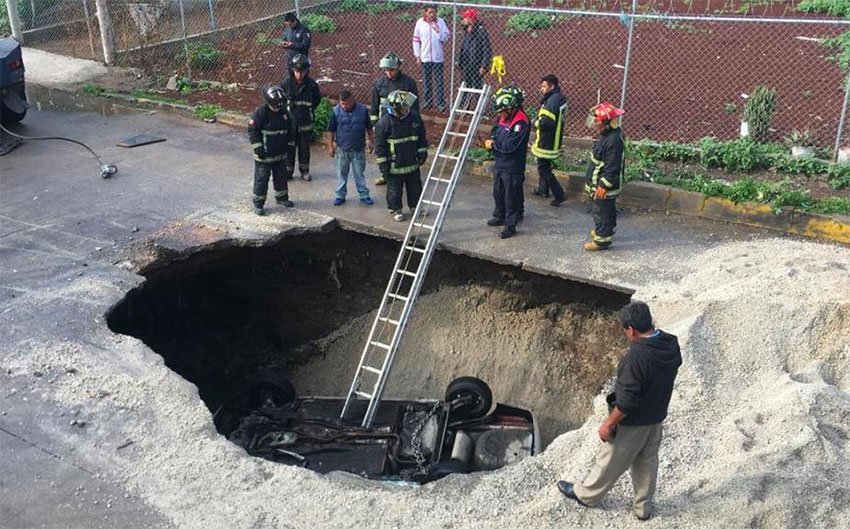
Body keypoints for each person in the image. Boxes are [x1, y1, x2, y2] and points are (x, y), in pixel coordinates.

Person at [557, 301, 682, 521]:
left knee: (609, 461)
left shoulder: (635, 358)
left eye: (625, 330)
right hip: (657, 416)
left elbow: (626, 402)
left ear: (631, 329)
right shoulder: (670, 343)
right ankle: (643, 508)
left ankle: (586, 495)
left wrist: (608, 424)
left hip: (634, 423)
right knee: (647, 462)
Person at [483, 85, 530, 239]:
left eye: (502, 111)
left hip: (512, 166)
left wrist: (493, 145)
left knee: (511, 196)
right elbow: (495, 130)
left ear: (510, 108)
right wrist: (493, 141)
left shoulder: (521, 122)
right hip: (500, 163)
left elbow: (511, 146)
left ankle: (510, 224)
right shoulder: (504, 117)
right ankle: (499, 215)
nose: (500, 115)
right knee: (498, 192)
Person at [374, 90, 427, 222]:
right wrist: (383, 166)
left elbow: (421, 138)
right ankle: (395, 209)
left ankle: (415, 207)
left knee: (415, 187)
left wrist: (422, 152)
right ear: (395, 108)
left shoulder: (414, 118)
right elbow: (380, 148)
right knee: (394, 190)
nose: (406, 109)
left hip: (412, 162)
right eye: (404, 107)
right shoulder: (384, 124)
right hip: (394, 165)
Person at [370, 52, 420, 186]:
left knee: (401, 149)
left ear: (398, 68)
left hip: (402, 123)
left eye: (391, 70)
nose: (389, 73)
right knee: (383, 150)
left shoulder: (408, 83)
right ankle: (385, 174)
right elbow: (374, 106)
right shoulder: (379, 83)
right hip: (384, 125)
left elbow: (414, 108)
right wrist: (375, 125)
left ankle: (405, 175)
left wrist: (414, 124)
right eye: (386, 70)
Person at [247, 85, 296, 216]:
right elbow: (252, 130)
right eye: (276, 105)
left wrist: (290, 145)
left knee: (281, 178)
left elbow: (290, 130)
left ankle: (282, 198)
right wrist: (258, 147)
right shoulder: (260, 113)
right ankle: (258, 204)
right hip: (264, 156)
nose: (278, 108)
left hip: (280, 155)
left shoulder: (284, 113)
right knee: (261, 180)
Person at [583, 102, 625, 251]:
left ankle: (602, 240)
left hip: (604, 186)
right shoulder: (610, 135)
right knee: (608, 210)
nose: (595, 125)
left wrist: (603, 185)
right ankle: (607, 229)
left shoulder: (613, 141)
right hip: (601, 182)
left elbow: (612, 167)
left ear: (606, 123)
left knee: (601, 211)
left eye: (597, 122)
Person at [327, 90, 375, 207]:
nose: (345, 106)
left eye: (347, 104)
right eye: (342, 104)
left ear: (353, 100)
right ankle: (340, 195)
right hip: (342, 149)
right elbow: (330, 131)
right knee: (341, 173)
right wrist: (330, 146)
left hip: (358, 149)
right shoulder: (335, 112)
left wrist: (371, 141)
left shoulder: (362, 110)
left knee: (359, 173)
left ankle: (364, 195)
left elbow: (369, 127)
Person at [280, 53, 321, 181]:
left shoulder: (312, 85)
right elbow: (280, 101)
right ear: (292, 70)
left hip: (305, 121)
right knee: (289, 148)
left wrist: (308, 111)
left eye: (302, 71)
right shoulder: (286, 83)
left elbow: (316, 100)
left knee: (304, 148)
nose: (299, 74)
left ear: (307, 70)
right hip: (290, 123)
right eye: (297, 71)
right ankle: (288, 171)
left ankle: (304, 171)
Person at [531, 74, 568, 206]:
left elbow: (546, 122)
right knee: (545, 166)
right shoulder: (559, 98)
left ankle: (559, 194)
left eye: (544, 86)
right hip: (553, 140)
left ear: (552, 86)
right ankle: (543, 190)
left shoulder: (552, 101)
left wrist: (534, 123)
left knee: (544, 169)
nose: (541, 89)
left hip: (546, 142)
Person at [412, 4, 449, 111]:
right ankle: (428, 102)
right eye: (430, 12)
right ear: (425, 12)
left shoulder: (441, 22)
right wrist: (417, 55)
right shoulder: (420, 22)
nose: (432, 14)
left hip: (438, 58)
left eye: (434, 12)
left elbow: (446, 37)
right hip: (425, 57)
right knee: (427, 81)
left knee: (439, 81)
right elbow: (416, 40)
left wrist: (438, 31)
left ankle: (440, 103)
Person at [457, 9, 492, 108]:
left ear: (471, 19)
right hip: (466, 62)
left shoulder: (480, 30)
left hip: (476, 64)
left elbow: (487, 49)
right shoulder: (466, 30)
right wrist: (459, 61)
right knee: (465, 84)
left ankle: (478, 107)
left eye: (466, 17)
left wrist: (484, 65)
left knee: (477, 86)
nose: (464, 19)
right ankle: (464, 106)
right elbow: (462, 46)